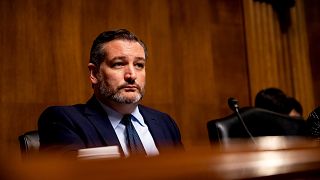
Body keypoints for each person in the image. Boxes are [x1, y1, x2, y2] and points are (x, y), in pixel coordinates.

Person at [38, 29, 183, 157]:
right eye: (119, 64)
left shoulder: (165, 123)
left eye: (139, 65)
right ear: (94, 73)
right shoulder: (63, 120)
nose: (131, 75)